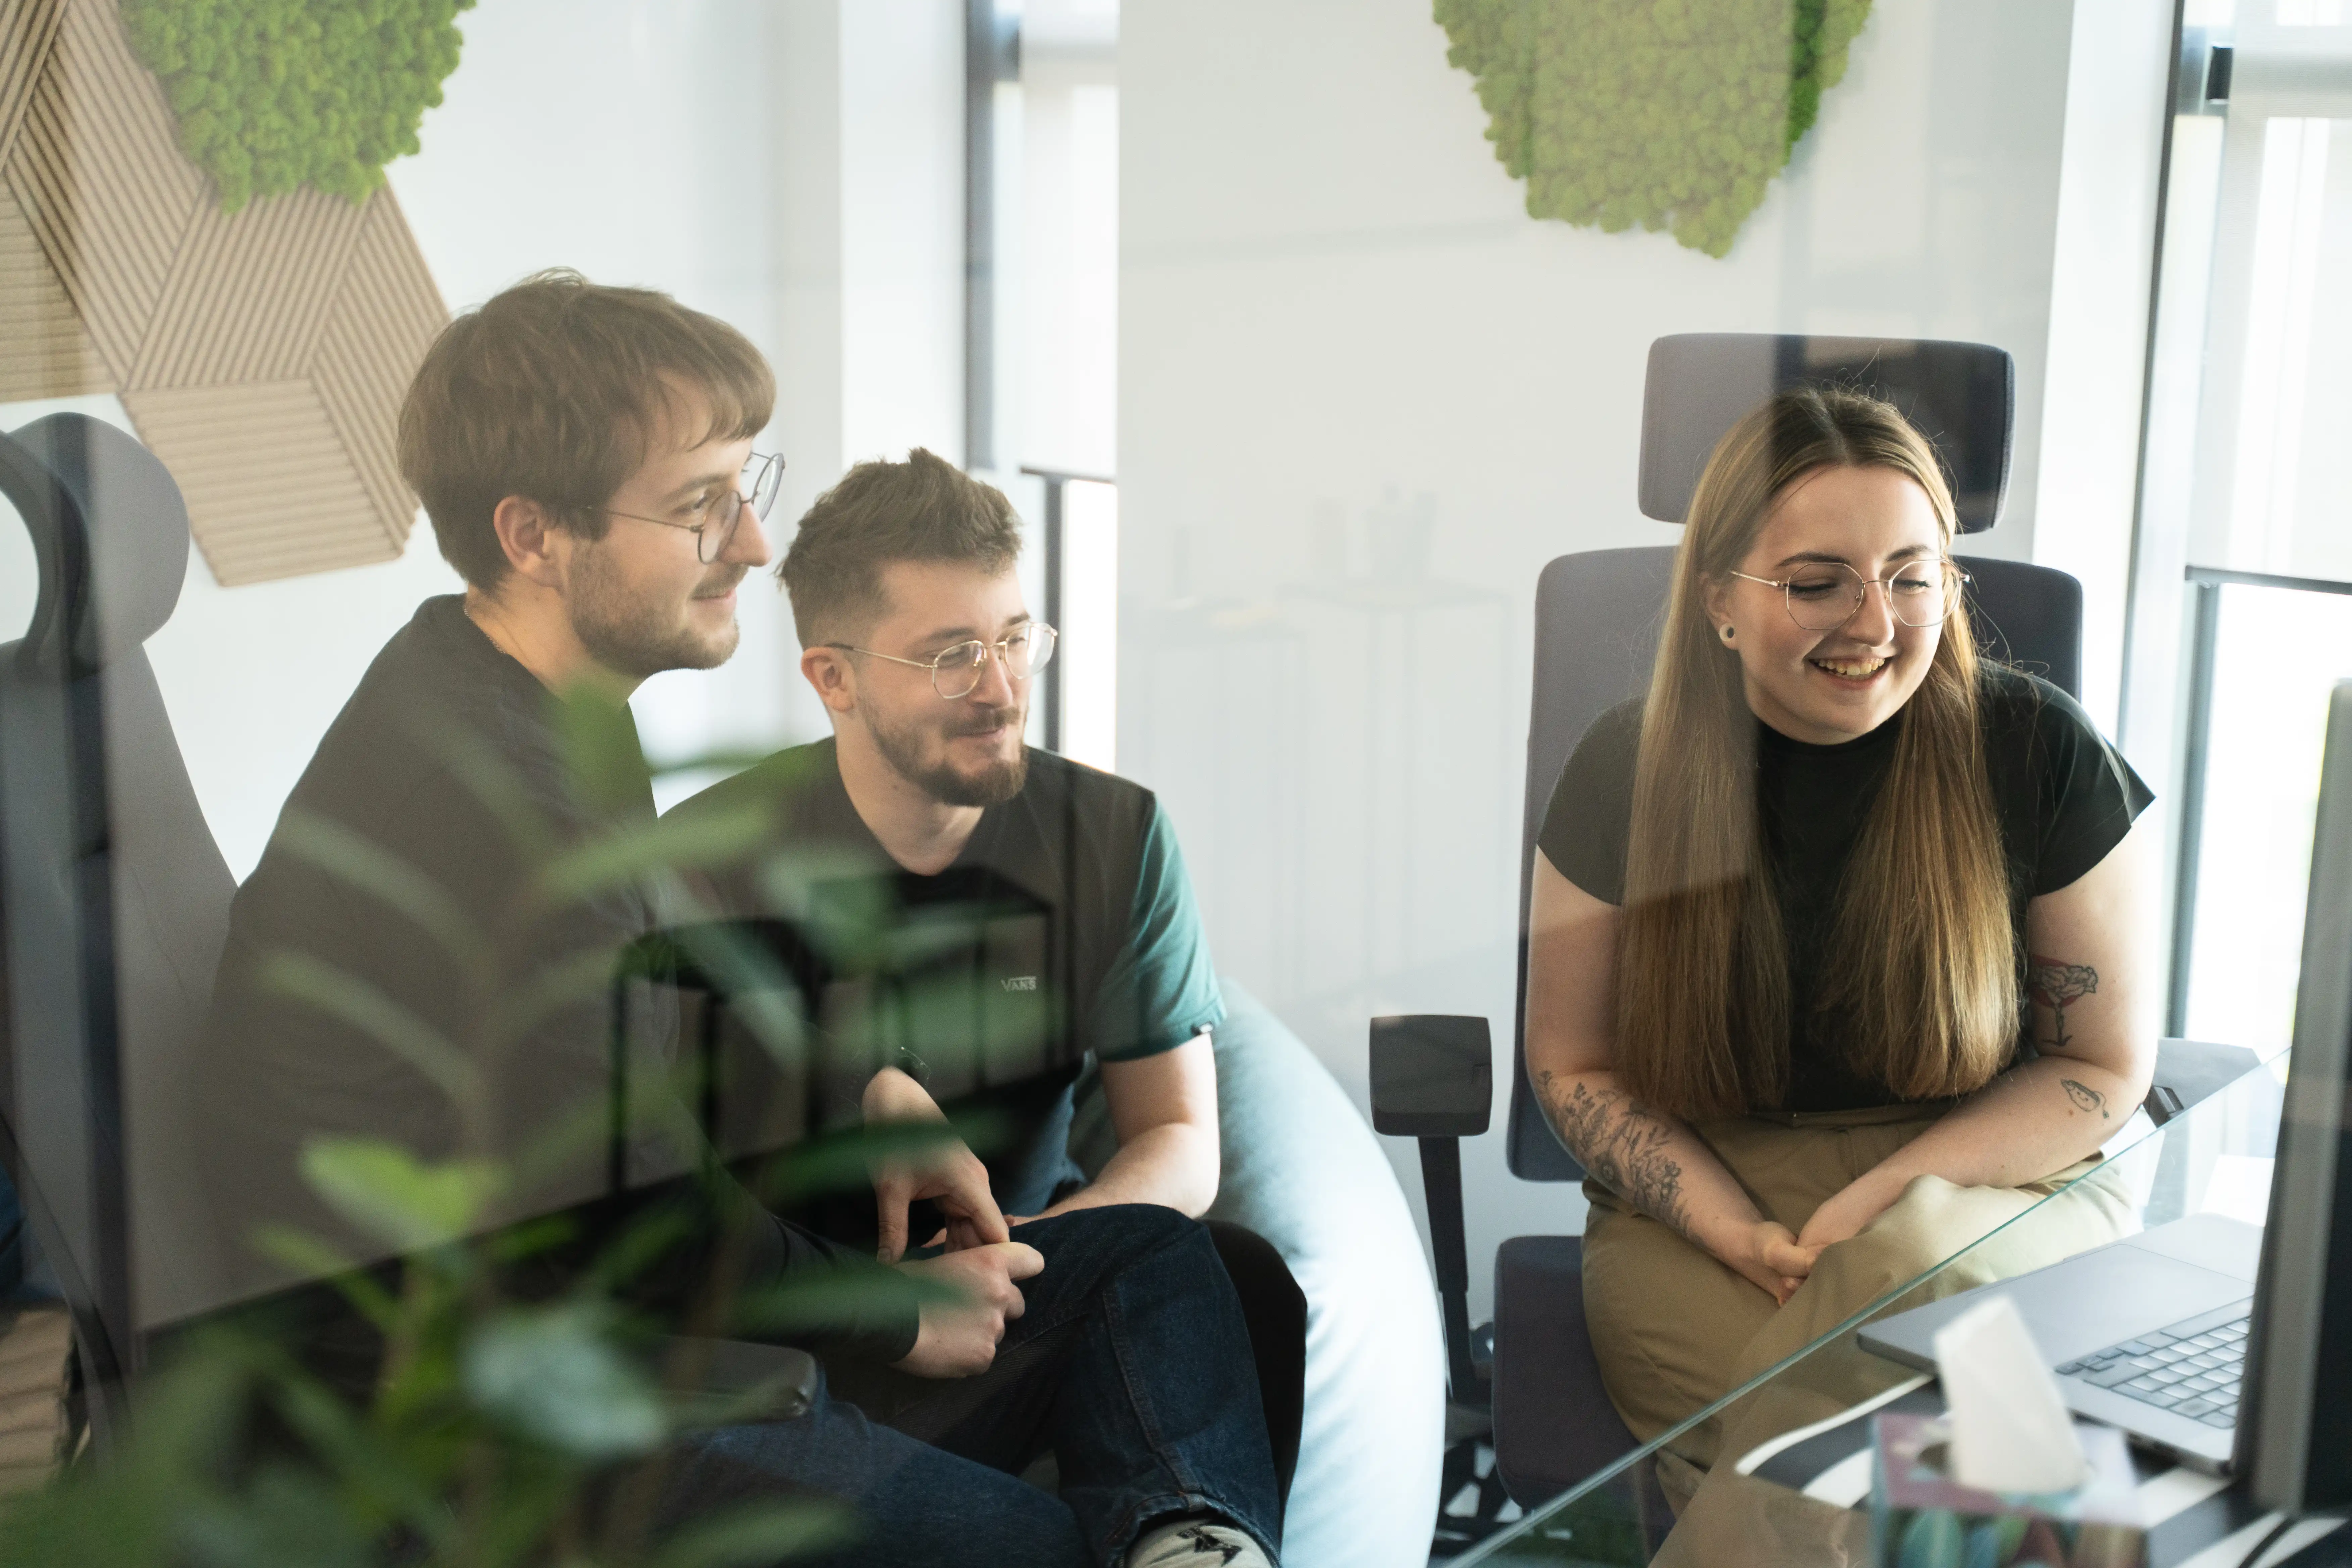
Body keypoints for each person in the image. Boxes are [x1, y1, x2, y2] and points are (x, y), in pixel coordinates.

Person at [195, 272, 1281, 1568]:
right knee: (1033, 1545)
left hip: (623, 1331)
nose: (753, 549)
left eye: (743, 494)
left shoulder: (534, 712)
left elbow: (627, 1040)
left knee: (1154, 1263)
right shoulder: (495, 810)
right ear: (534, 534)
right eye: (700, 508)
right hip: (519, 1417)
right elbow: (613, 1210)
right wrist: (883, 1312)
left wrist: (863, 1080)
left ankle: (1187, 1539)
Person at [1523, 388, 2154, 1547]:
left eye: (1913, 576)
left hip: (1996, 1176)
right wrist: (1736, 1234)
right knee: (1928, 1486)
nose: (1873, 619)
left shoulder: (2035, 749)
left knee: (1867, 1387)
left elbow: (2101, 1066)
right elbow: (1571, 1062)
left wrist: (1881, 1213)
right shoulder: (1626, 765)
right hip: (1710, 1194)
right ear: (1717, 600)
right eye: (1815, 581)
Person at [667, 448, 1305, 1499]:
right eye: (954, 654)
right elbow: (673, 1203)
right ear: (834, 676)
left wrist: (1015, 1262)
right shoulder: (704, 864)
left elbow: (1179, 1140)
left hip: (1025, 1280)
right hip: (802, 1324)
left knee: (1243, 1281)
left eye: (1015, 640)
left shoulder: (1114, 834)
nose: (1002, 690)